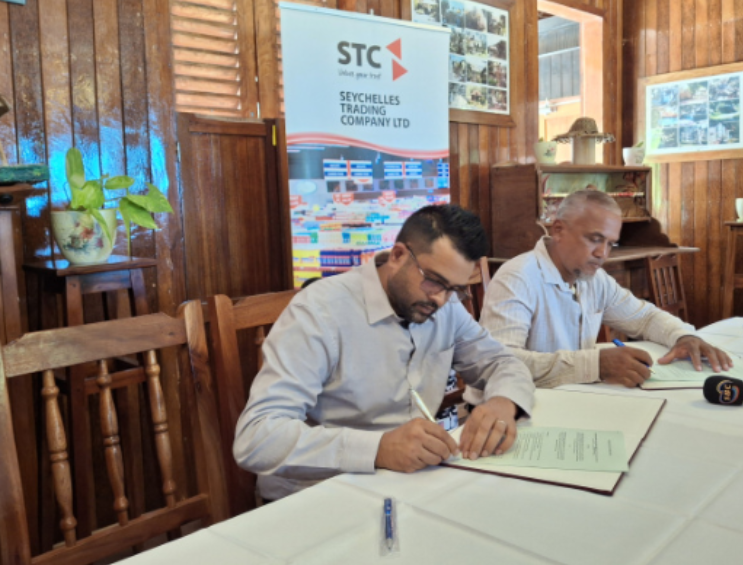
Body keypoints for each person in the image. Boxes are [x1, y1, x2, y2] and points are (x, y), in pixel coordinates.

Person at [234, 205, 535, 501]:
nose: (441, 300)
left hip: (408, 485)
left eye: (455, 289)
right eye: (434, 282)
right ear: (398, 255)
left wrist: (503, 402)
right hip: (320, 493)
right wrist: (379, 448)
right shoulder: (320, 312)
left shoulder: (445, 306)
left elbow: (501, 362)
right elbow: (257, 438)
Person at [478, 189, 732, 389]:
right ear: (558, 230)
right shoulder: (518, 277)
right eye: (594, 239)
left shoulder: (594, 279)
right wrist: (595, 365)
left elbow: (645, 317)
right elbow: (499, 363)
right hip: (512, 412)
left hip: (570, 398)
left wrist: (683, 336)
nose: (603, 254)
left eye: (611, 243)